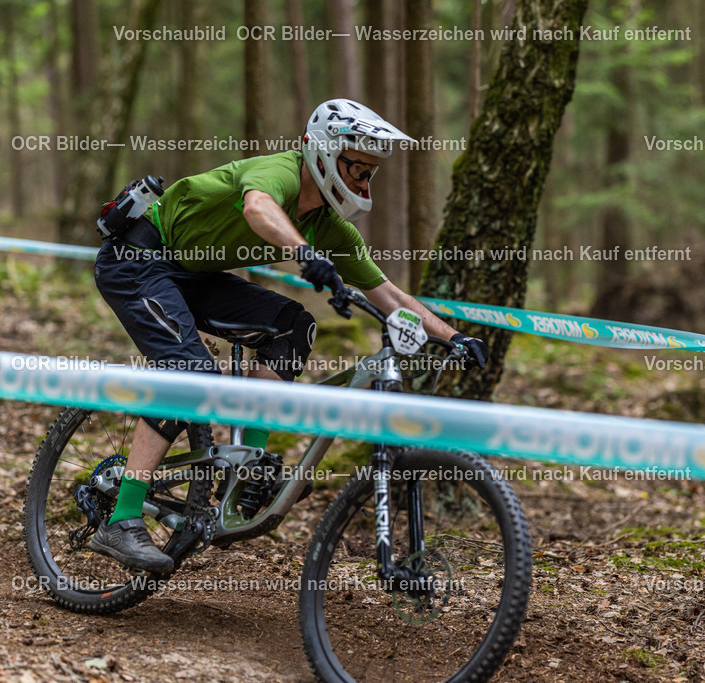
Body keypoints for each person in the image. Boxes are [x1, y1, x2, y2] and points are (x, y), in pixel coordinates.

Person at [88, 98, 489, 572]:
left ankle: (244, 469)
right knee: (190, 376)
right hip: (136, 261)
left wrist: (453, 337)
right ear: (325, 153)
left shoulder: (329, 227)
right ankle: (122, 516)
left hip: (192, 274)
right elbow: (257, 207)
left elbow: (388, 293)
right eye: (358, 169)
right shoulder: (279, 171)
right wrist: (304, 253)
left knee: (293, 325)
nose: (364, 183)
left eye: (371, 173)